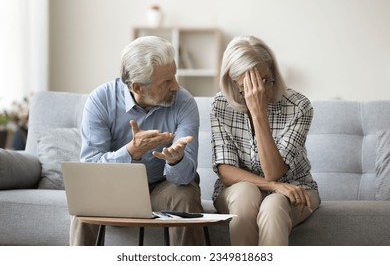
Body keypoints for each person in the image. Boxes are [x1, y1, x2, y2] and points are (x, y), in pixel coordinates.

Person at [70, 36, 204, 246]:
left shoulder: (184, 102)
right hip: (115, 190)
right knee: (85, 202)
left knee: (185, 194)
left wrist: (176, 160)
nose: (176, 86)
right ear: (138, 87)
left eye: (174, 76)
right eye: (167, 81)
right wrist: (130, 152)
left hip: (163, 188)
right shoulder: (101, 100)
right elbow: (90, 168)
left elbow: (185, 177)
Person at [210, 35, 321, 246]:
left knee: (273, 206)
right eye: (248, 86)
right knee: (245, 192)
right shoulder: (220, 105)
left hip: (295, 189)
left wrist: (258, 113)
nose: (261, 91)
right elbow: (226, 172)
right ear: (234, 84)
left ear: (274, 74)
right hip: (239, 191)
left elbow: (274, 172)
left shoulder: (299, 106)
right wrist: (272, 186)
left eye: (266, 81)